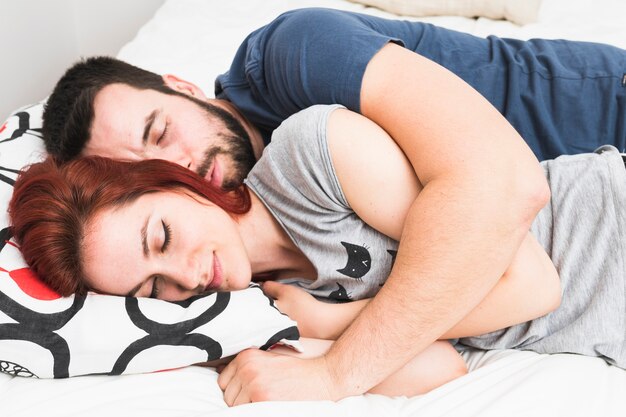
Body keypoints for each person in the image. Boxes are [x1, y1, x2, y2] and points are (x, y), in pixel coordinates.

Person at [38, 7, 626, 402]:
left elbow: (510, 209)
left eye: (161, 132)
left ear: (184, 87)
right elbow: (438, 364)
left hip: (598, 121)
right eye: (152, 289)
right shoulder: (254, 292)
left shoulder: (296, 76)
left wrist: (338, 356)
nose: (186, 275)